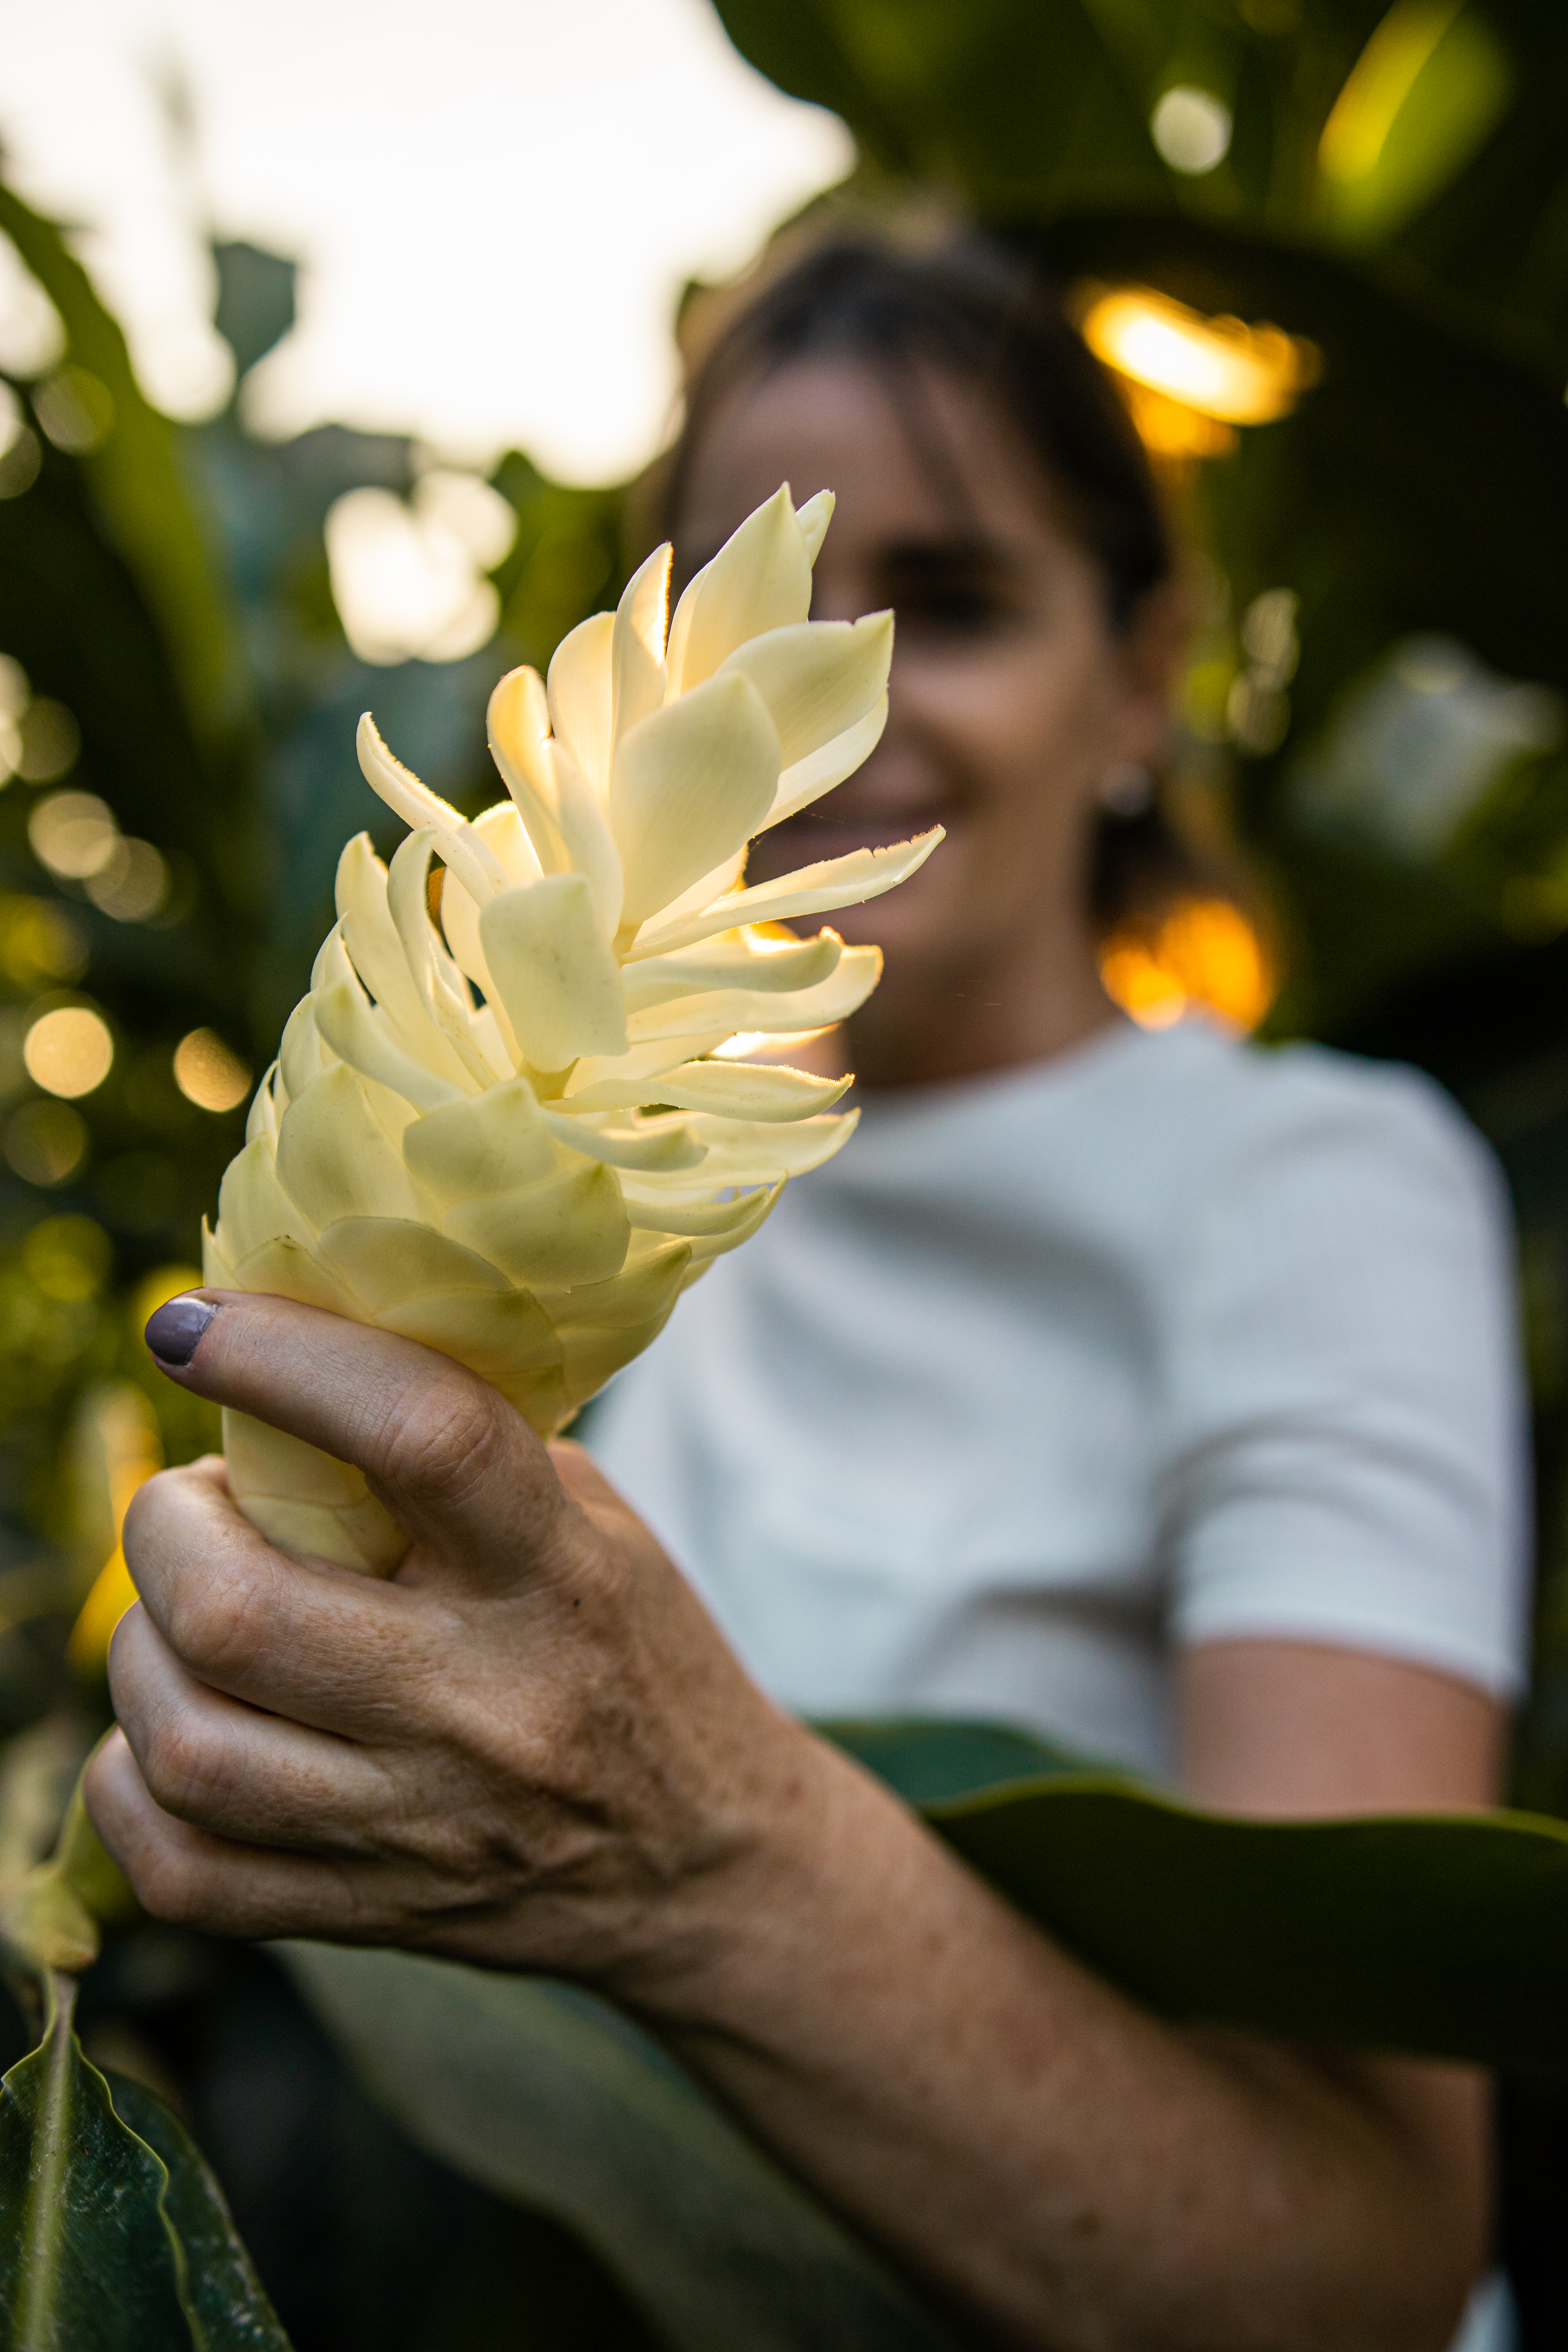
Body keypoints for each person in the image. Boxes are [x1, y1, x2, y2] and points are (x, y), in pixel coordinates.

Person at [89, 229, 1528, 2352]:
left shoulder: (1311, 1183)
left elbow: (1370, 2273)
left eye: (950, 604)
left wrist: (700, 1854)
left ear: (1142, 675)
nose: (822, 699)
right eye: (755, 604)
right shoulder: (643, 1175)